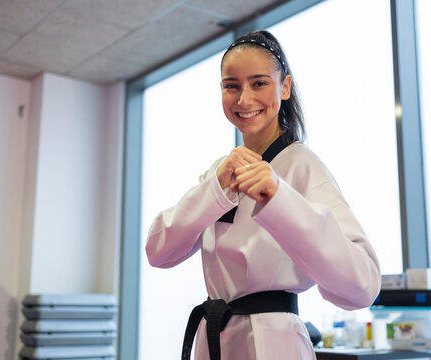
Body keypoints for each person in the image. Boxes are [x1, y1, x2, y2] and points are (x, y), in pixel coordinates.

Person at [146, 30, 381, 360]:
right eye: (232, 86)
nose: (244, 99)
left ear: (284, 87)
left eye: (259, 83)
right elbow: (158, 250)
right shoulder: (219, 171)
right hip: (215, 339)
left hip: (273, 342)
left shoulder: (302, 165)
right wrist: (215, 189)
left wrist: (278, 198)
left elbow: (363, 285)